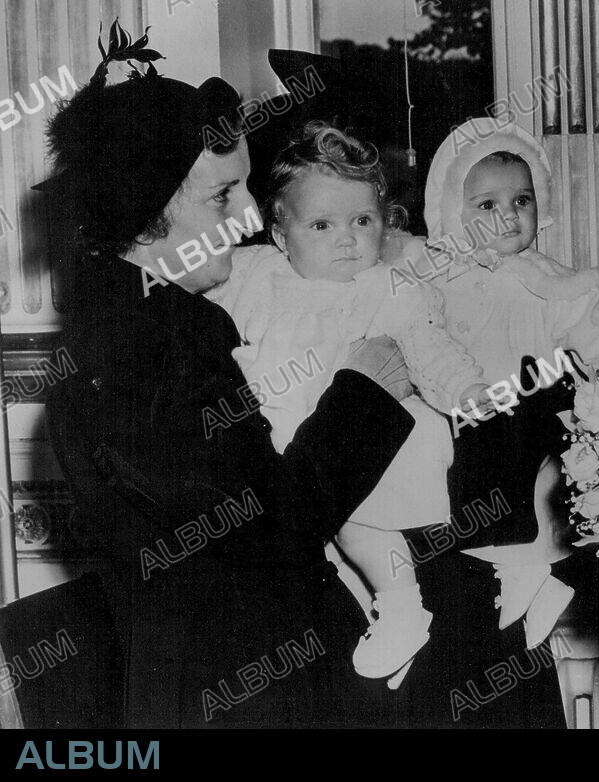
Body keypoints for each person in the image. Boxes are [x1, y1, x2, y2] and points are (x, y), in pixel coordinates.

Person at [40, 46, 418, 727]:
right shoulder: (147, 350)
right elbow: (269, 530)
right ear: (145, 206)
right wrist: (365, 392)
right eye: (221, 194)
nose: (248, 214)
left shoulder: (140, 328)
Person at [210, 120, 522, 685]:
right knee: (318, 556)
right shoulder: (258, 274)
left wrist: (468, 393)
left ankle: (402, 604)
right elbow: (202, 300)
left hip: (370, 453)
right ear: (280, 235)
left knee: (361, 528)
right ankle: (376, 624)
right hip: (287, 453)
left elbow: (432, 349)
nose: (348, 239)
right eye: (322, 225)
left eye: (362, 220)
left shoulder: (391, 287)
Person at [405, 117, 599, 650]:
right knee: (472, 497)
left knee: (533, 501)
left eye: (522, 200)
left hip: (529, 412)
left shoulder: (553, 279)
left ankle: (534, 577)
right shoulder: (439, 277)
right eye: (486, 205)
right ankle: (521, 579)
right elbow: (416, 333)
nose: (508, 216)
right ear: (451, 212)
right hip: (462, 410)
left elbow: (594, 325)